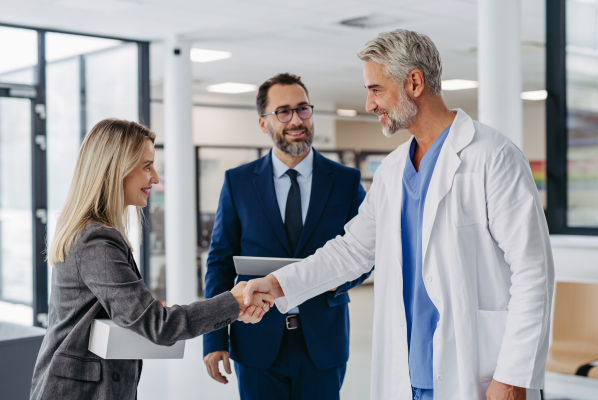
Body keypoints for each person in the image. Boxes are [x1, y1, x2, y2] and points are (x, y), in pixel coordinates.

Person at [243, 30, 554, 400]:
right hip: (407, 374)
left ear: (415, 82)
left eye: (376, 89)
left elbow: (533, 272)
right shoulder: (393, 172)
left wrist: (514, 374)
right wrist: (278, 284)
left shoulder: (493, 157)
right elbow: (351, 251)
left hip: (475, 372)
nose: (370, 103)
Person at [30, 119, 273, 400]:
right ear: (115, 169)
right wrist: (234, 300)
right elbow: (157, 325)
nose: (156, 178)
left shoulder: (94, 234)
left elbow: (132, 318)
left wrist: (234, 308)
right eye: (147, 166)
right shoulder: (95, 241)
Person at [202, 73, 373, 400]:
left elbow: (364, 253)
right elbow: (220, 264)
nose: (296, 120)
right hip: (255, 340)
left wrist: (336, 280)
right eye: (283, 111)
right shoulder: (238, 182)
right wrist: (214, 339)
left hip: (323, 339)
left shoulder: (345, 181)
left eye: (303, 109)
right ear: (263, 123)